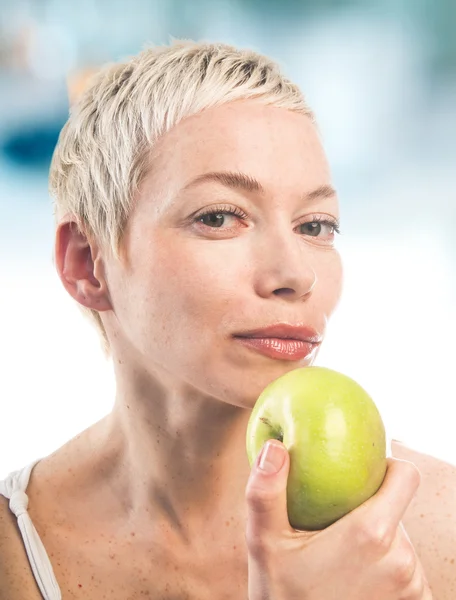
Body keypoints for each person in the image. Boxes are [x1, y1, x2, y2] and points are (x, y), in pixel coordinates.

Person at [0, 39, 454, 600]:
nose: (295, 274)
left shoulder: (436, 527)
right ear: (86, 263)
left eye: (315, 226)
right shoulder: (13, 557)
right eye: (220, 217)